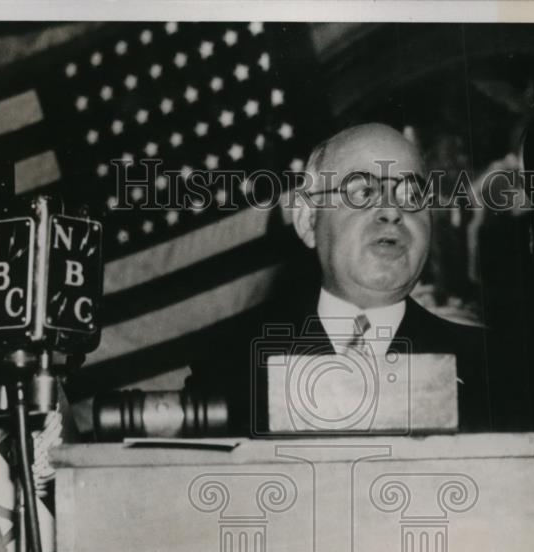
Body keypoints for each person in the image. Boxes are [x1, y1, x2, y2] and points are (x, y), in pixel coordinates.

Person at [191, 123, 504, 435]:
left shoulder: (490, 371)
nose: (392, 211)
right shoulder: (231, 368)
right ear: (307, 219)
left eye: (411, 194)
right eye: (364, 192)